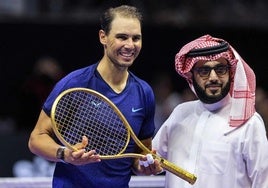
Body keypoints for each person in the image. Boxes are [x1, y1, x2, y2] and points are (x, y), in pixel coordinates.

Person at [28, 5, 162, 188]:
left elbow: (139, 158)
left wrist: (145, 167)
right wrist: (65, 154)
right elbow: (36, 139)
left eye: (136, 38)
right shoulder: (74, 84)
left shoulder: (144, 93)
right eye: (122, 37)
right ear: (103, 37)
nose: (130, 45)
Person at [152, 34, 268, 188]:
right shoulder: (180, 113)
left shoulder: (249, 123)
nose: (213, 77)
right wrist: (147, 165)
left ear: (231, 73)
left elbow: (263, 182)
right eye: (204, 71)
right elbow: (150, 162)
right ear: (192, 76)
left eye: (220, 69)